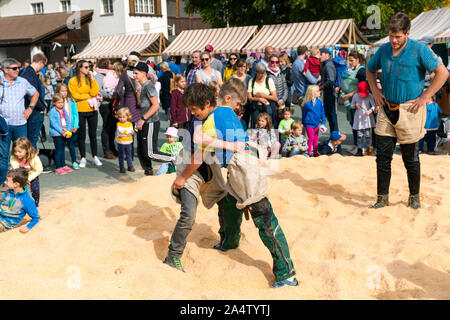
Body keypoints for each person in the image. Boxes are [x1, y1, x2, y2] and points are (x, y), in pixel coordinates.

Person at [172, 83, 298, 288]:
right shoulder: (225, 111)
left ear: (206, 104)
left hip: (245, 170)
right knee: (228, 203)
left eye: (195, 110)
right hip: (239, 167)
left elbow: (198, 156)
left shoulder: (210, 121)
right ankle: (229, 241)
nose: (193, 114)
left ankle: (286, 274)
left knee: (265, 220)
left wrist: (182, 178)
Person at [366, 12, 448, 209]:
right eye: (391, 36)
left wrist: (425, 96)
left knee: (410, 158)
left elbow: (443, 73)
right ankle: (382, 198)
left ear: (407, 33)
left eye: (398, 36)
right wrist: (376, 92)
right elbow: (369, 69)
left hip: (410, 109)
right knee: (382, 158)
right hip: (387, 108)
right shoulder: (384, 49)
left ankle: (414, 198)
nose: (393, 40)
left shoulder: (420, 49)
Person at [0, 58, 39, 190]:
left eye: (18, 68)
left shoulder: (23, 82)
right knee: (3, 155)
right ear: (5, 70)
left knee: (22, 154)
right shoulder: (0, 83)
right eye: (14, 68)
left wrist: (30, 108)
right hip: (3, 125)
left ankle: (21, 181)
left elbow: (35, 93)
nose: (18, 70)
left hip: (20, 124)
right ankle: (4, 182)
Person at [133, 62, 175, 176]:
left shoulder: (149, 86)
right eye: (133, 73)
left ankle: (174, 158)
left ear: (143, 73)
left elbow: (156, 105)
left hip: (150, 122)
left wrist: (143, 118)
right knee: (141, 152)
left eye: (136, 73)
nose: (134, 76)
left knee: (150, 153)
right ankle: (148, 172)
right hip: (144, 122)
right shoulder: (142, 87)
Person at [69, 60, 102, 168]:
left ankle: (94, 156)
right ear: (80, 68)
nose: (89, 69)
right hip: (79, 111)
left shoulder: (91, 79)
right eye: (87, 67)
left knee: (93, 135)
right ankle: (83, 157)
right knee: (81, 135)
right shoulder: (73, 81)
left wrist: (92, 78)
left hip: (92, 110)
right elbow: (74, 95)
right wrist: (88, 96)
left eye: (89, 67)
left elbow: (95, 92)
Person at [337, 51, 367, 154]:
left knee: (358, 124)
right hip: (348, 100)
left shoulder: (361, 71)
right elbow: (345, 80)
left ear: (358, 60)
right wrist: (340, 88)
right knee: (352, 122)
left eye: (352, 60)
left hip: (357, 100)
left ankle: (360, 148)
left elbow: (363, 87)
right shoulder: (350, 69)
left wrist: (350, 94)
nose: (349, 62)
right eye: (348, 60)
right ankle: (356, 145)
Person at [18, 53, 48, 149]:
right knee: (31, 142)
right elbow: (32, 95)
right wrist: (42, 107)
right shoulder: (30, 74)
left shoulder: (26, 72)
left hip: (31, 110)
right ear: (40, 62)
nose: (43, 67)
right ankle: (31, 163)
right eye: (44, 65)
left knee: (29, 141)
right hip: (34, 111)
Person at [0, 168, 40, 233]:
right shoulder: (8, 192)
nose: (5, 182)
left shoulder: (27, 200)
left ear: (16, 184)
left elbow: (36, 218)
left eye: (7, 181)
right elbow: (4, 202)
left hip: (6, 224)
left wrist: (28, 226)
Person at [95, 58, 118, 160]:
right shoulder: (99, 76)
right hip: (105, 103)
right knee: (106, 127)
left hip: (114, 103)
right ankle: (107, 150)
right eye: (110, 63)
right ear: (105, 64)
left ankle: (112, 148)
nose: (112, 64)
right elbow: (98, 89)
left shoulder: (112, 74)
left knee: (113, 127)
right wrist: (109, 96)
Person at [10, 137, 43, 208]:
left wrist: (29, 179)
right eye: (15, 151)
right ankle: (17, 204)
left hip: (32, 175)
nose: (17, 154)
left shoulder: (34, 157)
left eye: (20, 152)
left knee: (35, 190)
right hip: (19, 175)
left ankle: (36, 205)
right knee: (16, 190)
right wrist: (22, 180)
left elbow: (39, 169)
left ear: (27, 150)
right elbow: (16, 170)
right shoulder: (13, 158)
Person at [55, 83, 80, 169]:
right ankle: (62, 164)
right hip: (61, 129)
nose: (64, 93)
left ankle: (74, 161)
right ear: (58, 92)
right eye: (62, 91)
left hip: (71, 127)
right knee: (61, 147)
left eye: (65, 91)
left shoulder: (71, 101)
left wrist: (75, 125)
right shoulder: (55, 102)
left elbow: (75, 114)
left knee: (71, 146)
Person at [247, 62, 277, 128]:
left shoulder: (269, 80)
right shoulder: (252, 81)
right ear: (256, 72)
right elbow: (249, 97)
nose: (263, 74)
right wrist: (258, 99)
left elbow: (274, 97)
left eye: (264, 72)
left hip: (267, 107)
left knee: (269, 127)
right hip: (256, 107)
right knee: (256, 127)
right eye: (261, 73)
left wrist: (262, 96)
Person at [49, 93, 73, 175]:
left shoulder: (64, 111)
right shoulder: (52, 111)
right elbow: (54, 124)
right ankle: (58, 167)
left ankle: (63, 165)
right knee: (59, 150)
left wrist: (68, 131)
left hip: (65, 133)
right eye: (59, 102)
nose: (61, 104)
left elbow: (68, 121)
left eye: (62, 102)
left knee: (62, 150)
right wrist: (62, 132)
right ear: (54, 103)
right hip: (57, 134)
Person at [350, 81, 376, 156]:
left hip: (367, 118)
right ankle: (359, 150)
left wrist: (370, 111)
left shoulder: (370, 96)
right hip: (359, 117)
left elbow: (373, 105)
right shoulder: (355, 96)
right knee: (359, 135)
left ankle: (369, 150)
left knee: (368, 135)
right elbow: (351, 105)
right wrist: (355, 106)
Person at [302, 85, 327, 157]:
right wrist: (303, 123)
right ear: (313, 93)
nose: (320, 92)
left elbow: (322, 112)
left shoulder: (320, 102)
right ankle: (309, 151)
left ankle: (315, 152)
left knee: (316, 138)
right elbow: (304, 114)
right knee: (311, 137)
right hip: (308, 123)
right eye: (317, 91)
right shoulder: (307, 104)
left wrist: (323, 122)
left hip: (316, 124)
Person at [319, 48, 338, 133]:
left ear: (326, 54)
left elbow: (331, 80)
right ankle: (333, 136)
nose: (319, 56)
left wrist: (322, 86)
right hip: (328, 92)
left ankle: (335, 137)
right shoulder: (326, 64)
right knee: (330, 116)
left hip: (330, 93)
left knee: (332, 116)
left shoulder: (328, 65)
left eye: (321, 54)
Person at [266, 54, 288, 126]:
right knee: (272, 125)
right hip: (271, 103)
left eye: (276, 62)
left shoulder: (281, 73)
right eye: (272, 62)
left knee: (281, 125)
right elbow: (267, 90)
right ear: (269, 62)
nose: (275, 64)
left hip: (281, 103)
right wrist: (277, 100)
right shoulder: (266, 73)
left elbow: (285, 88)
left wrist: (282, 99)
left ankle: (280, 138)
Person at [115, 107, 135, 173]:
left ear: (127, 117)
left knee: (129, 155)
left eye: (123, 117)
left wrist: (132, 132)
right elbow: (120, 130)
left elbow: (131, 131)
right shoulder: (118, 124)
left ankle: (130, 166)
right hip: (121, 142)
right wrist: (125, 132)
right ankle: (122, 166)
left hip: (128, 142)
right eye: (120, 117)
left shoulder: (130, 124)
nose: (122, 119)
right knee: (121, 155)